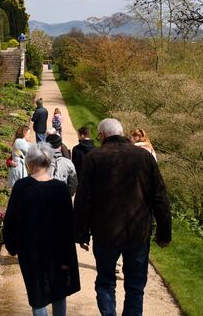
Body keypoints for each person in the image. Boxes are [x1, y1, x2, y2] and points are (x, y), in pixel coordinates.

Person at [74, 118, 171, 316]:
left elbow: (83, 199)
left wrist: (82, 233)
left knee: (106, 282)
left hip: (105, 232)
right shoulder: (144, 157)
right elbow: (160, 197)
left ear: (102, 135)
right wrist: (164, 233)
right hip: (138, 232)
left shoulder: (94, 157)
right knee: (135, 287)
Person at [3, 143, 80, 316]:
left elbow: (10, 220)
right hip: (58, 250)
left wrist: (11, 245)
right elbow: (68, 225)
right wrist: (68, 256)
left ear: (30, 162)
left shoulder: (22, 187)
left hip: (31, 249)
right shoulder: (60, 189)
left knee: (37, 294)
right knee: (59, 292)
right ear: (48, 162)